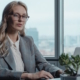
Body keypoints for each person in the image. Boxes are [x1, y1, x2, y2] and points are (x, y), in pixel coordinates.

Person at [0, 1, 63, 80]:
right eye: (16, 15)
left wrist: (59, 71)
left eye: (24, 16)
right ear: (6, 17)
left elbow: (42, 64)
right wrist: (28, 75)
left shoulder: (28, 41)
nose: (21, 20)